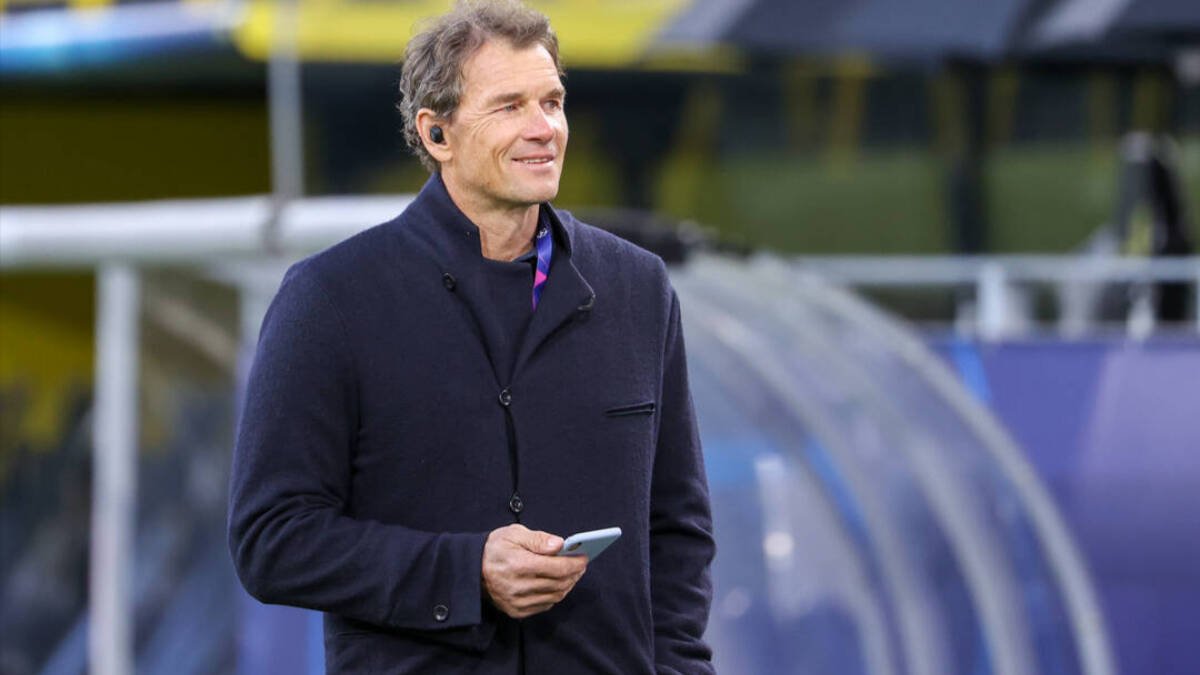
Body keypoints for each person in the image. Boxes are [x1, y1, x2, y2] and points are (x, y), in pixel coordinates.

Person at [227, 1, 715, 672]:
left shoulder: (639, 289)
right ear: (437, 134)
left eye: (553, 101)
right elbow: (271, 538)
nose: (544, 128)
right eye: (509, 106)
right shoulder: (330, 299)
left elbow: (677, 532)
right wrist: (465, 571)